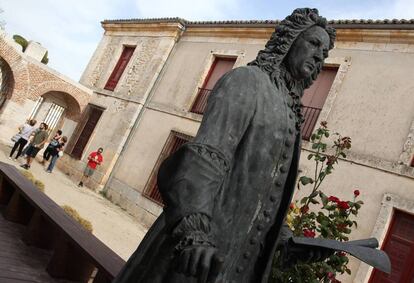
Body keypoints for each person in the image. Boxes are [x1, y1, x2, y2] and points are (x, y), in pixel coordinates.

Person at [114, 8, 336, 283]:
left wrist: (285, 239)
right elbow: (205, 158)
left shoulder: (291, 113)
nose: (319, 56)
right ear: (289, 40)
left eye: (324, 53)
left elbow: (262, 193)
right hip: (196, 257)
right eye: (314, 43)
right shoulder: (246, 82)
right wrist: (194, 232)